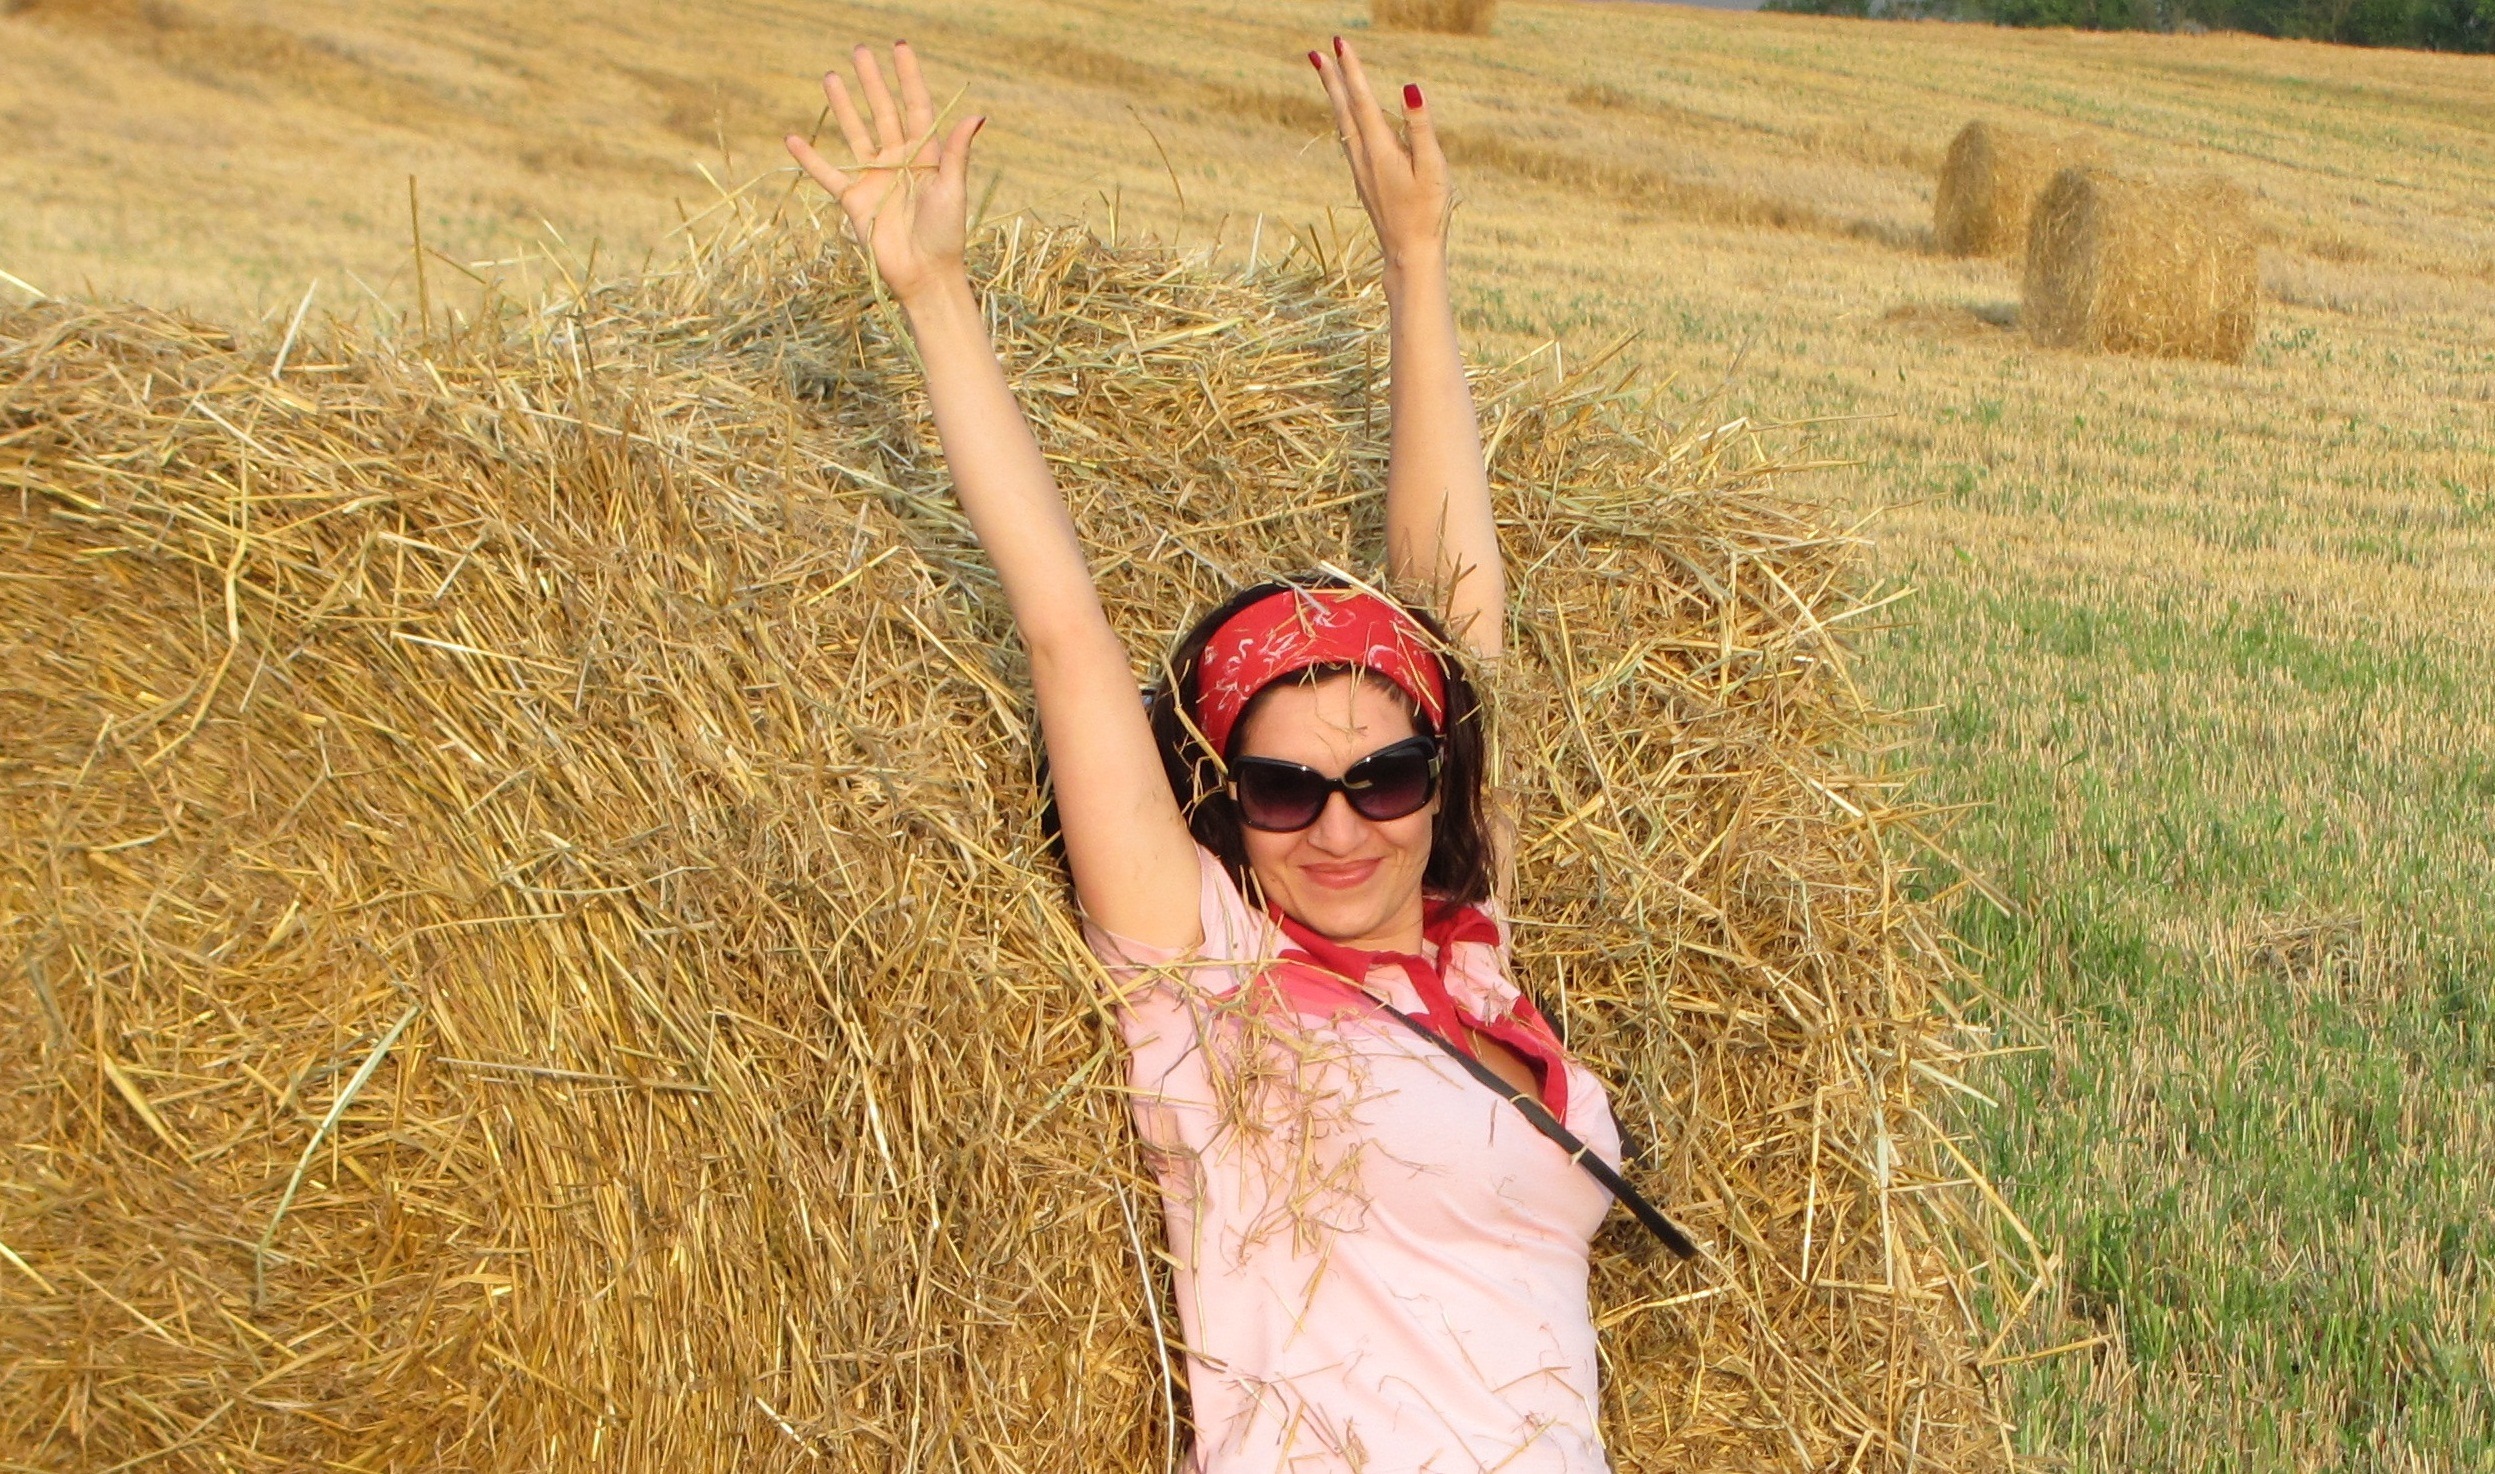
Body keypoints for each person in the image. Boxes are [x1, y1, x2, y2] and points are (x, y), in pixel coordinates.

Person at [789, 38, 1642, 1473]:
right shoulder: (1208, 980)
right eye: (1283, 789)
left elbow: (1457, 619)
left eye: (1383, 778)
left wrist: (1416, 261)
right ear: (1226, 803)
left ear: (1435, 780)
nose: (1341, 828)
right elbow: (1064, 633)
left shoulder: (1475, 956)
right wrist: (934, 294)